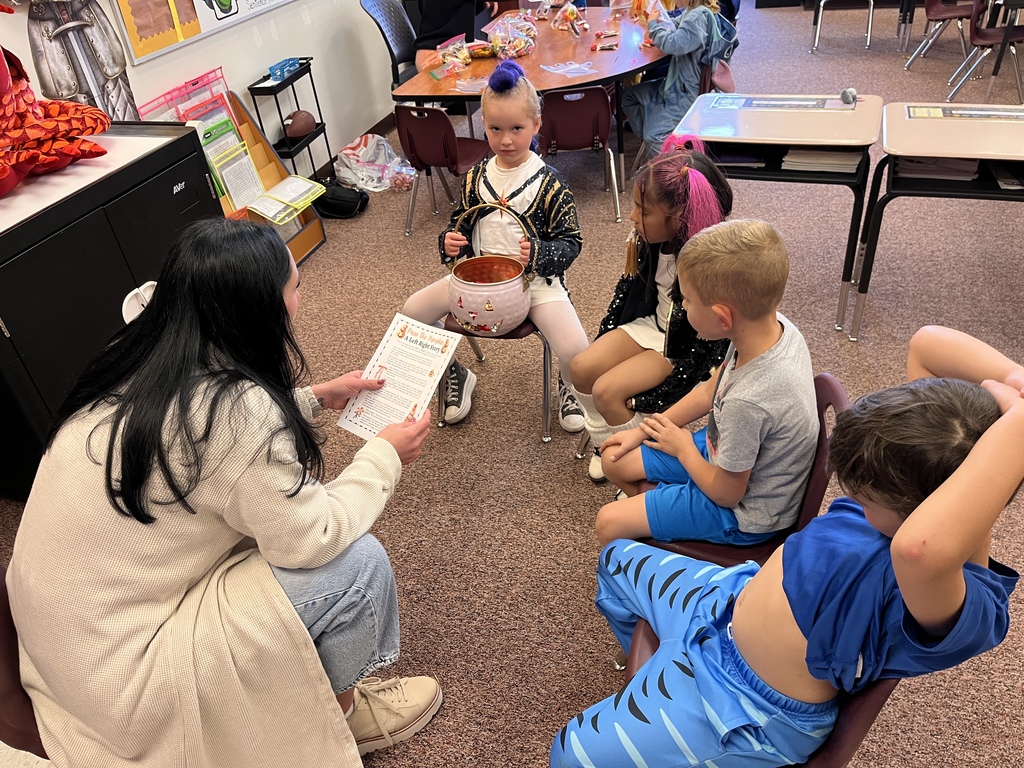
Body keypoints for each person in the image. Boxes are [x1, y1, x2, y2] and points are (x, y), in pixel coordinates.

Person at [6, 218, 441, 767]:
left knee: (254, 528)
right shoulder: (237, 412)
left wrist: (309, 398)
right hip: (127, 684)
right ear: (262, 308)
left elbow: (196, 450)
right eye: (296, 286)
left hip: (61, 641)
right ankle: (344, 713)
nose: (301, 294)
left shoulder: (139, 347)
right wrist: (384, 457)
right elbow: (312, 539)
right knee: (360, 562)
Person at [551, 326, 1023, 767]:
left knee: (568, 754)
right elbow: (926, 345)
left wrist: (1018, 420)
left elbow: (922, 549)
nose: (853, 498)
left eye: (866, 497)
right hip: (724, 604)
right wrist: (1010, 386)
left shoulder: (955, 592)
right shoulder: (906, 472)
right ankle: (662, 676)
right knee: (615, 561)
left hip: (745, 705)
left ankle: (676, 710)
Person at [595, 219, 817, 546]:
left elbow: (727, 494)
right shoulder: (766, 327)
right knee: (614, 455)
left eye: (686, 299)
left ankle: (669, 526)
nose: (682, 306)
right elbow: (710, 389)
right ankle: (664, 514)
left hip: (742, 513)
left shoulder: (750, 401)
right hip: (722, 457)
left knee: (607, 523)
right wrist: (644, 430)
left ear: (722, 316)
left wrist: (684, 450)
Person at [402, 60, 589, 432]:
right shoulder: (475, 177)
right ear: (483, 126)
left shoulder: (550, 183)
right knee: (411, 314)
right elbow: (460, 220)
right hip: (475, 282)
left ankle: (569, 385)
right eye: (495, 129)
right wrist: (450, 240)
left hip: (534, 285)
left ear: (536, 125)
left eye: (517, 129)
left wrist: (539, 253)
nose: (506, 140)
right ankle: (453, 372)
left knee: (576, 351)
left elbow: (572, 242)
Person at [569, 135, 733, 484]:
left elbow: (705, 350)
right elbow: (628, 293)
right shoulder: (653, 243)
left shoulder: (709, 265)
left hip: (680, 346)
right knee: (580, 368)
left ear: (678, 217)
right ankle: (607, 443)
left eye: (643, 211)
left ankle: (634, 466)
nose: (631, 216)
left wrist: (662, 395)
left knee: (607, 391)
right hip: (651, 324)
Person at [622, 0, 736, 150]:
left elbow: (675, 45)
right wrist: (661, 20)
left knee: (654, 136)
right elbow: (675, 25)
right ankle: (655, 144)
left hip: (684, 94)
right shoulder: (696, 11)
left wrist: (653, 26)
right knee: (627, 96)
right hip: (676, 84)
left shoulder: (696, 18)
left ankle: (672, 168)